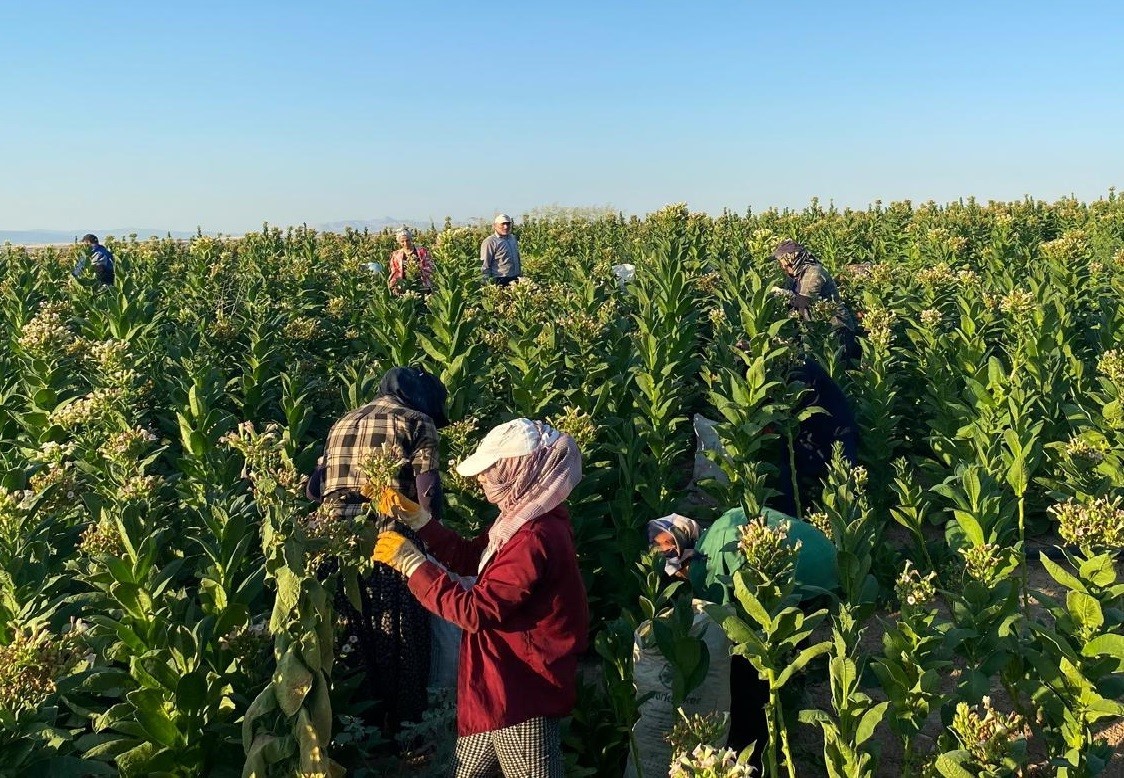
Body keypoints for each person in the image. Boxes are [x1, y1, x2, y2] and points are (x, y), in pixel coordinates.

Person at [373, 418, 588, 777]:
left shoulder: (534, 535)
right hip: (494, 683)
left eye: (492, 471)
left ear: (521, 470)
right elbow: (474, 558)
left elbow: (475, 611)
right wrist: (421, 522)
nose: (483, 481)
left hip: (519, 689)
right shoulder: (521, 519)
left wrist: (413, 566)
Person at [311, 365, 450, 733]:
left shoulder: (342, 422)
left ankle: (359, 729)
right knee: (403, 642)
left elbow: (314, 488)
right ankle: (406, 733)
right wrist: (435, 534)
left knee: (351, 640)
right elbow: (428, 492)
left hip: (335, 546)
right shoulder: (418, 422)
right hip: (391, 547)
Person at [647, 508, 838, 769]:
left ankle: (758, 750)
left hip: (802, 570)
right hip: (821, 557)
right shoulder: (718, 530)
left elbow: (728, 623)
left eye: (678, 575)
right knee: (791, 632)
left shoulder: (705, 564)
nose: (682, 580)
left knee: (750, 672)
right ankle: (789, 691)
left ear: (684, 561)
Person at [773, 357, 859, 518]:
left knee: (845, 481)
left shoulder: (799, 365)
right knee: (788, 473)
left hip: (836, 427)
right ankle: (792, 519)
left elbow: (805, 390)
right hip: (803, 433)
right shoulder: (775, 365)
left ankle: (843, 523)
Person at [770, 239, 858, 361]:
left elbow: (804, 302)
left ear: (792, 259)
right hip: (815, 329)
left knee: (837, 362)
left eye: (783, 262)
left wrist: (782, 293)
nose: (782, 266)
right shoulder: (793, 276)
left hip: (835, 327)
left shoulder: (813, 271)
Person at [387, 227, 434, 293]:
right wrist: (394, 285)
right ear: (399, 242)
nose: (405, 243)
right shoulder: (396, 255)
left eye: (407, 240)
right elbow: (394, 272)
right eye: (402, 241)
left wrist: (419, 269)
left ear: (411, 239)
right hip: (405, 287)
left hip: (422, 286)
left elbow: (430, 266)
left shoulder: (422, 251)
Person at [480, 213, 522, 286]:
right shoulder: (490, 241)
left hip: (515, 277)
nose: (506, 227)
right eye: (502, 224)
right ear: (495, 226)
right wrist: (487, 283)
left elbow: (517, 257)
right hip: (500, 279)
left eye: (508, 224)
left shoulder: (512, 238)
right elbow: (485, 264)